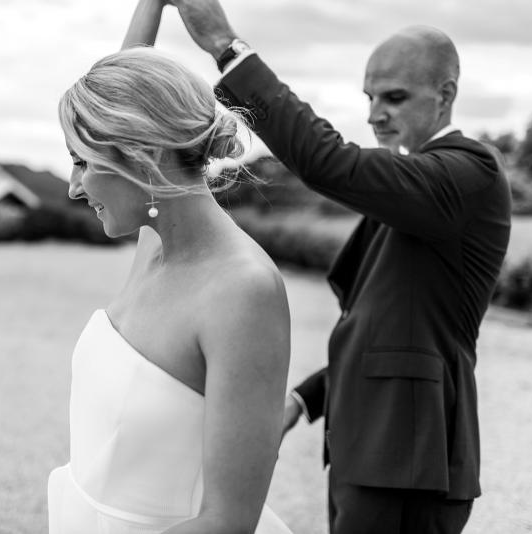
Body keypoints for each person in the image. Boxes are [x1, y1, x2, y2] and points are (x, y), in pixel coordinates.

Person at [139, 1, 511, 533]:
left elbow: (327, 161)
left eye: (395, 97)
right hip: (371, 454)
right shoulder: (417, 194)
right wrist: (304, 399)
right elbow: (387, 328)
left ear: (445, 95)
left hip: (410, 460)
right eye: (370, 97)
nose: (375, 113)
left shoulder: (468, 173)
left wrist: (226, 44)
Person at [46, 6, 294, 533]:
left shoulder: (242, 292)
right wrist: (151, 3)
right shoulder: (154, 242)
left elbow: (228, 522)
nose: (74, 187)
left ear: (145, 154)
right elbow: (127, 79)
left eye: (83, 161)